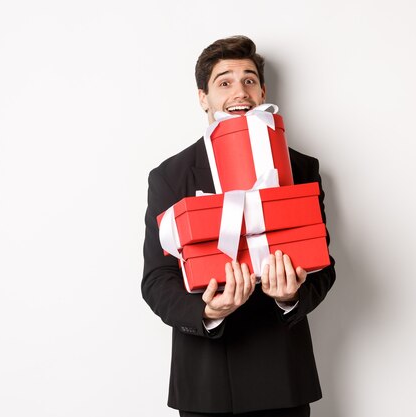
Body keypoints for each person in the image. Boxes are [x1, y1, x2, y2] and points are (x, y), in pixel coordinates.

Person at [142, 35, 336, 417]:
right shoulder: (170, 176)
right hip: (206, 384)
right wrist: (209, 311)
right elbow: (156, 279)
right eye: (224, 82)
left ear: (263, 91)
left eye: (249, 80)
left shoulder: (301, 169)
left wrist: (289, 298)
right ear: (204, 98)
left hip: (283, 378)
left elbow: (323, 267)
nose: (239, 92)